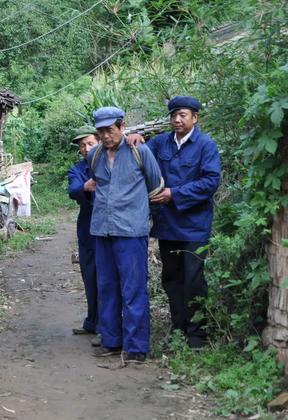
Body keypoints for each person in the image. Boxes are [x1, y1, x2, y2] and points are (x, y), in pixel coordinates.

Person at [88, 106, 163, 363]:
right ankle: (111, 341)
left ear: (122, 126)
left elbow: (156, 188)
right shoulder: (95, 155)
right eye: (101, 131)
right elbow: (95, 184)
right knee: (107, 286)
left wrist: (141, 216)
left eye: (110, 129)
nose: (106, 135)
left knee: (133, 289)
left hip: (131, 232)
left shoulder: (139, 151)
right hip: (102, 230)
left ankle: (136, 347)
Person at [146, 96, 221, 349]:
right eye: (173, 115)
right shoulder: (161, 143)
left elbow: (211, 181)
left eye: (183, 115)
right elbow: (143, 153)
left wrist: (174, 194)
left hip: (194, 226)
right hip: (167, 224)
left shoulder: (205, 145)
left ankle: (198, 335)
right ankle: (178, 329)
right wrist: (134, 139)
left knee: (193, 279)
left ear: (195, 118)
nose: (177, 120)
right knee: (171, 278)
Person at [67, 126, 100, 345]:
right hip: (88, 229)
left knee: (107, 278)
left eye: (90, 143)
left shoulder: (112, 162)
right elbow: (73, 189)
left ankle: (106, 324)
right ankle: (92, 321)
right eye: (82, 146)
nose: (86, 149)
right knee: (90, 276)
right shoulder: (78, 169)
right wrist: (86, 187)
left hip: (112, 229)